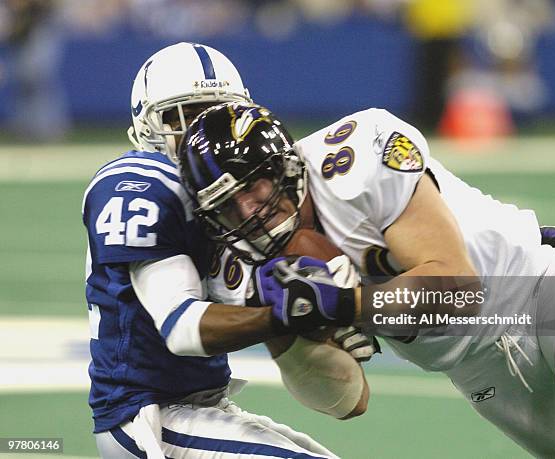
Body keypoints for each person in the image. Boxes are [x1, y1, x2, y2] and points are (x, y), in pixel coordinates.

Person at [177, 101, 555, 457]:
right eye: (228, 205)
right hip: (475, 371)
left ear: (284, 166)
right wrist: (295, 332)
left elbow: (461, 288)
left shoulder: (355, 161)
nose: (249, 211)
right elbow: (350, 402)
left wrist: (347, 304)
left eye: (252, 187)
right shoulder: (246, 267)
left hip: (542, 286)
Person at [83, 42, 370, 459]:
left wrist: (328, 312)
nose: (199, 132)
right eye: (181, 118)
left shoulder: (245, 197)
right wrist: (289, 311)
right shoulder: (141, 182)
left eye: (215, 115)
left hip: (203, 404)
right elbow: (181, 326)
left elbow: (348, 403)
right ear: (147, 125)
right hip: (147, 415)